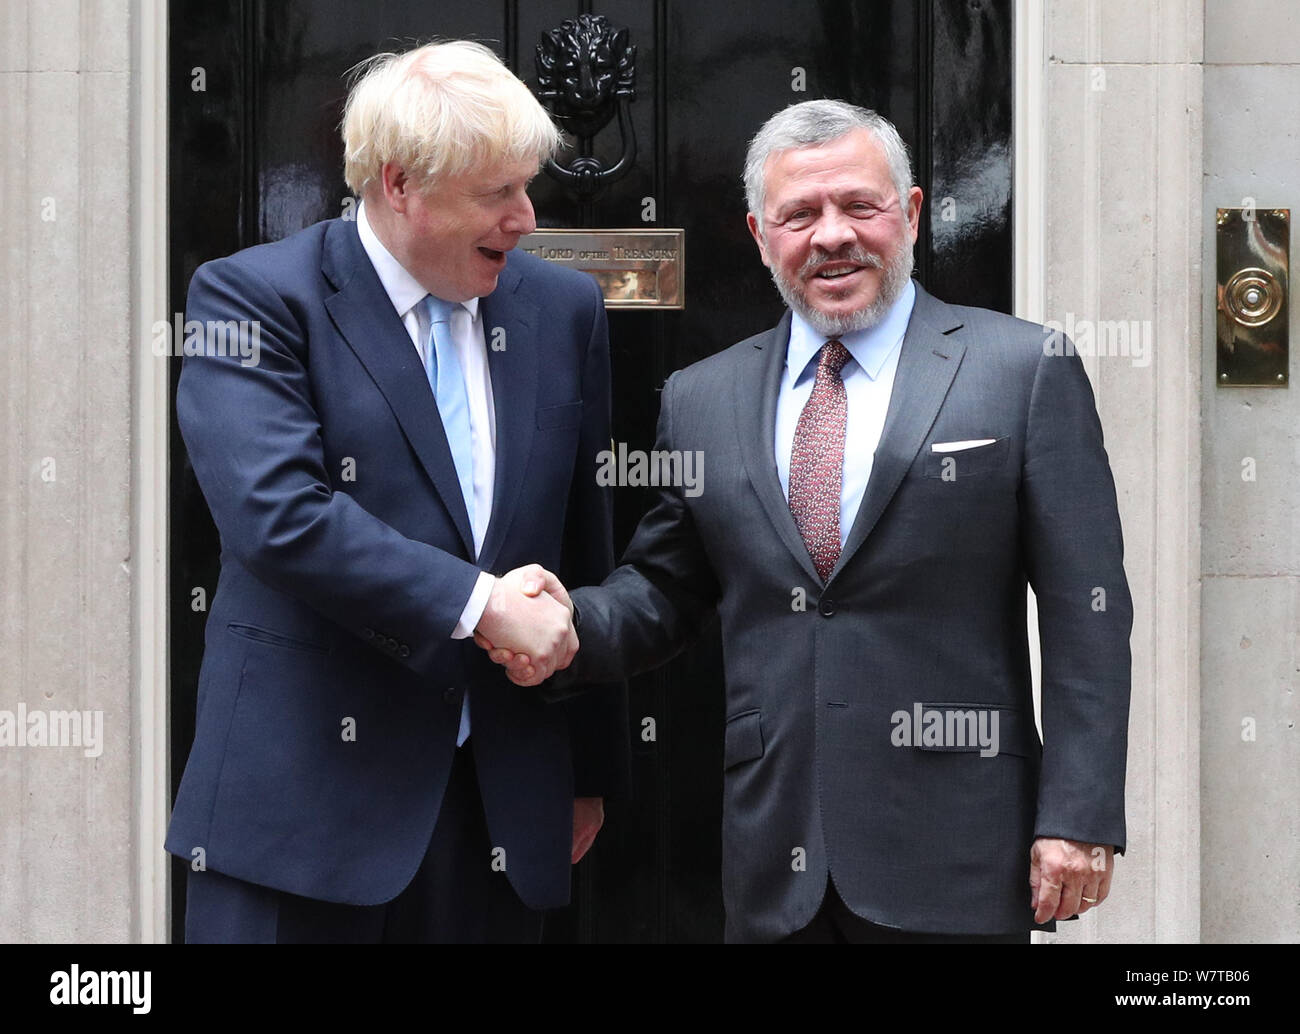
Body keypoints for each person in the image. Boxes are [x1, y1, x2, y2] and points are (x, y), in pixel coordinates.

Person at [484, 99, 1133, 944]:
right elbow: (666, 590)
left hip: (961, 852)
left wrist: (1078, 816)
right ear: (760, 235)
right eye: (800, 214)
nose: (832, 236)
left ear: (910, 213)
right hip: (776, 856)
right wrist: (562, 625)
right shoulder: (702, 396)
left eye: (859, 206)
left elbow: (1091, 608)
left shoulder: (1021, 368)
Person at [165, 39, 627, 943]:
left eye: (526, 187)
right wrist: (482, 604)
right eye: (498, 194)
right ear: (400, 183)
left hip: (497, 812)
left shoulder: (559, 308)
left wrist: (587, 767)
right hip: (299, 825)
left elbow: (582, 544)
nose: (527, 218)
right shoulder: (252, 299)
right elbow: (278, 516)